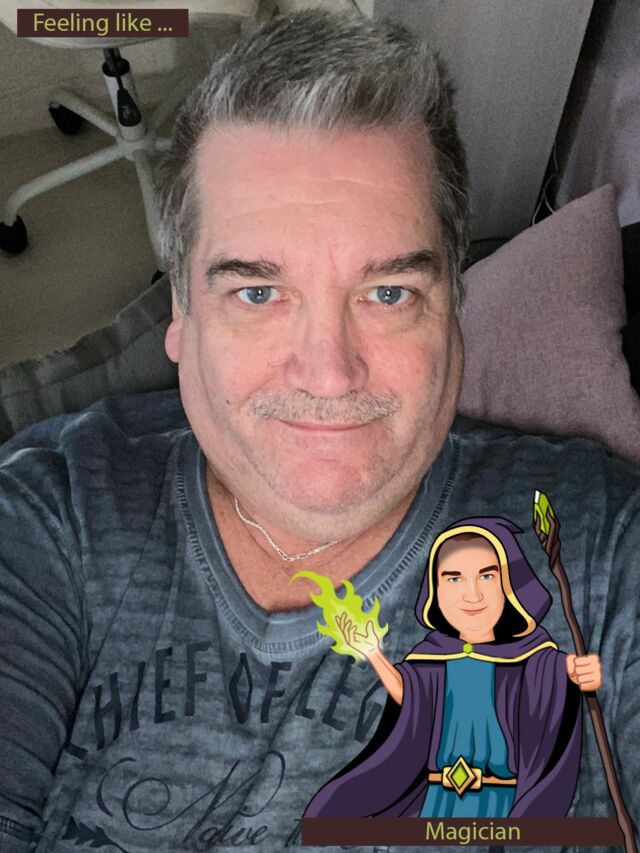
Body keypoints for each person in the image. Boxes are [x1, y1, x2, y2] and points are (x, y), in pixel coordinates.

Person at [0, 10, 637, 853]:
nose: (330, 374)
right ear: (181, 316)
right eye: (258, 293)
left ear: (454, 309)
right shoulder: (51, 517)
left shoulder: (596, 540)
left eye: (388, 293)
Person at [305, 517, 601, 818]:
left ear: (509, 585)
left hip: (500, 804)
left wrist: (577, 673)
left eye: (487, 576)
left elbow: (554, 678)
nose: (473, 595)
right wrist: (373, 653)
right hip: (438, 803)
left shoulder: (532, 658)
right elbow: (412, 700)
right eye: (454, 579)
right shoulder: (432, 657)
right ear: (436, 590)